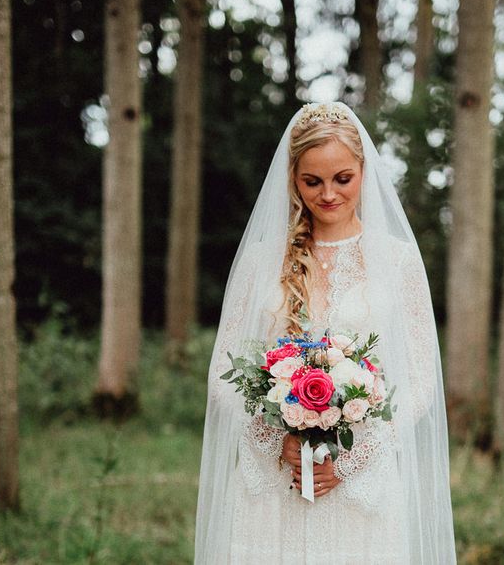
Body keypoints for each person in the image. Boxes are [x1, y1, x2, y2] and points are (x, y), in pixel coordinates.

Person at [194, 102, 456, 564]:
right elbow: (222, 375)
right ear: (292, 178)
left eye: (342, 178)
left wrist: (354, 454)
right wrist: (280, 441)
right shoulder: (260, 262)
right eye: (312, 181)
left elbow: (420, 381)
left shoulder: (398, 261)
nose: (328, 194)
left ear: (364, 173)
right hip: (272, 484)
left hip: (363, 486)